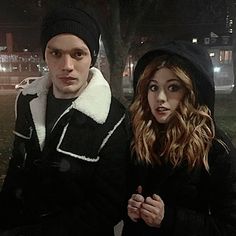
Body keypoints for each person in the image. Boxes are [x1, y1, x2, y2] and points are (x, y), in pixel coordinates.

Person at [0, 6, 130, 236]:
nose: (67, 65)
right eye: (56, 53)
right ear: (45, 55)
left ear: (91, 57)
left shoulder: (112, 117)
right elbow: (17, 169)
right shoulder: (27, 100)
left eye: (78, 54)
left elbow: (109, 205)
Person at [122, 40, 236, 236]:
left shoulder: (215, 148)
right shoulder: (137, 135)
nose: (160, 98)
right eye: (153, 87)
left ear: (192, 92)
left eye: (173, 87)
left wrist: (169, 219)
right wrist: (130, 208)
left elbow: (229, 226)